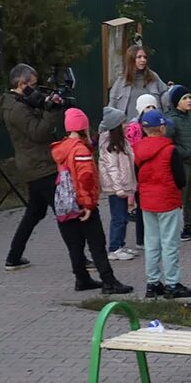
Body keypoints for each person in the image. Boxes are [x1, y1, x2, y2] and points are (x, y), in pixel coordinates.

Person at [50, 108, 130, 295]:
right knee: (96, 243)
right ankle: (109, 281)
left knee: (75, 244)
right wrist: (87, 205)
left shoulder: (62, 147)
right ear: (83, 127)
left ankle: (82, 278)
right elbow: (85, 178)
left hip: (65, 204)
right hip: (81, 203)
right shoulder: (80, 150)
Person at [0, 63, 68, 271]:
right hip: (40, 166)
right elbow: (38, 133)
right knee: (64, 211)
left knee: (35, 213)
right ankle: (80, 260)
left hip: (34, 164)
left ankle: (14, 256)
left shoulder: (19, 102)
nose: (36, 90)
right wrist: (50, 112)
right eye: (34, 85)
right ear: (22, 83)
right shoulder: (16, 108)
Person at [133, 108, 191, 298]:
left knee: (151, 242)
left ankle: (152, 283)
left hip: (147, 201)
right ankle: (172, 284)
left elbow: (137, 175)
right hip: (167, 200)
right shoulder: (169, 150)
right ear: (161, 127)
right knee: (170, 244)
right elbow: (180, 178)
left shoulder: (138, 149)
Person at [162, 85, 191, 239]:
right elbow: (168, 143)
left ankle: (188, 225)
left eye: (189, 97)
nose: (189, 101)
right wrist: (184, 153)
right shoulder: (171, 121)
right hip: (182, 163)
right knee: (181, 195)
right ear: (176, 102)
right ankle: (175, 228)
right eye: (184, 98)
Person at [95, 109, 138, 262]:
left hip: (124, 186)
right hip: (116, 189)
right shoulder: (109, 145)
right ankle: (114, 248)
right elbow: (112, 168)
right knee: (118, 218)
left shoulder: (122, 141)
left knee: (124, 217)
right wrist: (118, 188)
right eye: (123, 122)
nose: (126, 125)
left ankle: (121, 244)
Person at [108, 43, 169, 126]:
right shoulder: (121, 81)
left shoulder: (153, 77)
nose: (143, 60)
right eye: (139, 57)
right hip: (129, 129)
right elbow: (112, 107)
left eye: (145, 57)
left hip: (151, 127)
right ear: (131, 59)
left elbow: (165, 96)